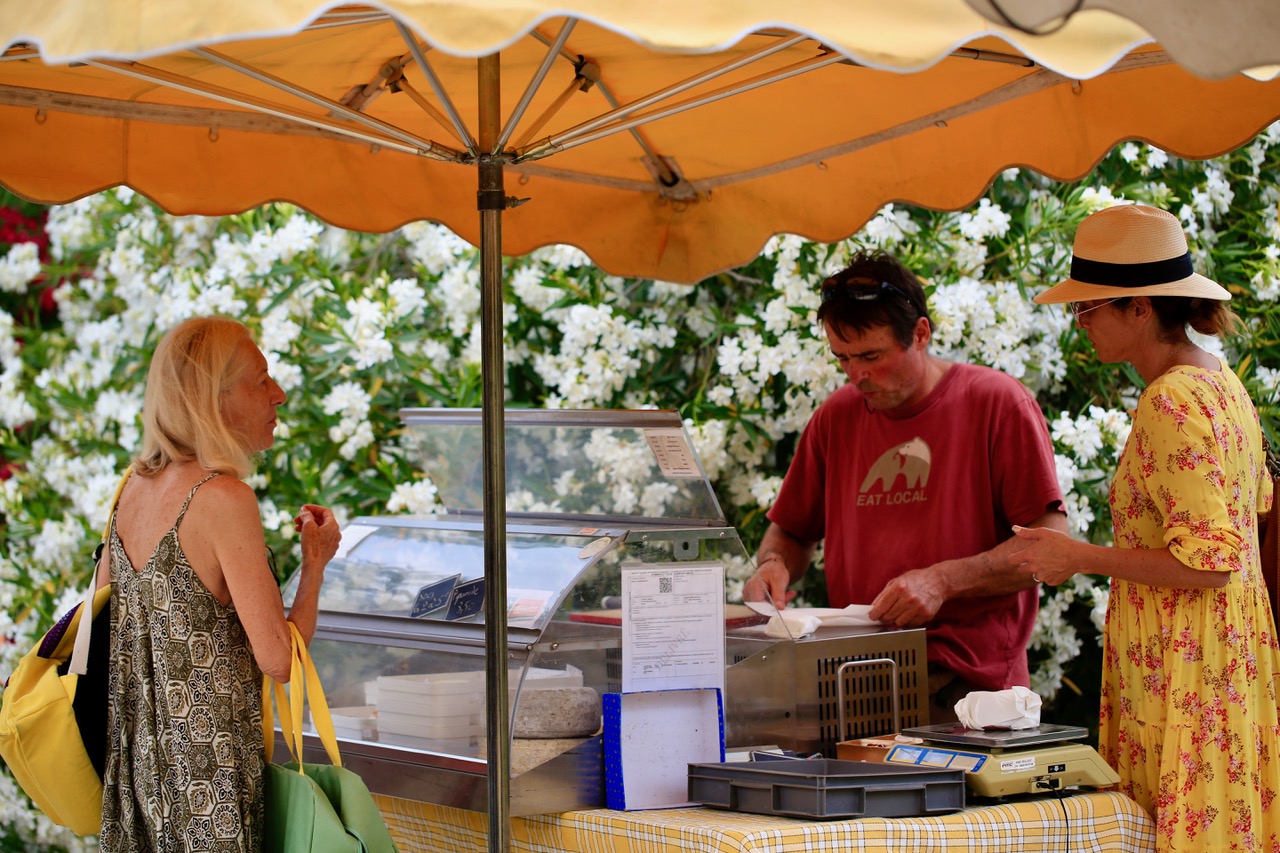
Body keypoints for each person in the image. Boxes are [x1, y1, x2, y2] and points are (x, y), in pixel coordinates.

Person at [1010, 203, 1278, 851]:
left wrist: (1078, 556)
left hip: (1187, 667)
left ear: (1139, 308)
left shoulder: (1171, 398)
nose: (1080, 324)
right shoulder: (1223, 385)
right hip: (1227, 659)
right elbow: (1252, 515)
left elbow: (1212, 563)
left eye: (1088, 308)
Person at [743, 249, 1067, 722]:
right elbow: (791, 530)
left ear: (920, 334)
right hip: (854, 675)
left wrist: (943, 581)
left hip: (968, 690)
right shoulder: (836, 416)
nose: (856, 375)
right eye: (842, 358)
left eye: (871, 356)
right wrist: (772, 565)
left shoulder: (996, 402)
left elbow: (1050, 545)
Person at [97, 316, 341, 852]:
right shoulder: (223, 499)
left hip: (139, 776)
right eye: (260, 380)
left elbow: (108, 617)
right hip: (208, 783)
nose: (277, 394)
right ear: (213, 399)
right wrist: (315, 565)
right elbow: (279, 660)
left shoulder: (131, 489)